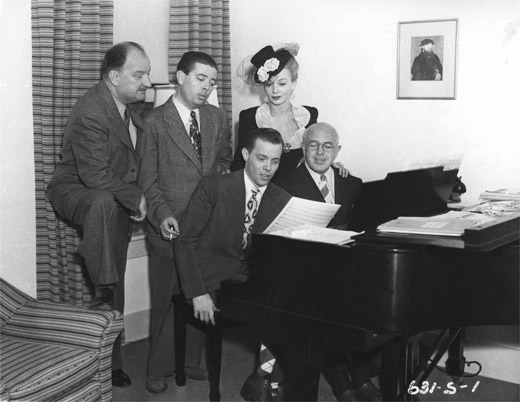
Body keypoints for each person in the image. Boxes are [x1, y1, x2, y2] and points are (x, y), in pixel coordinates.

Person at [46, 41, 151, 388]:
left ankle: (110, 363)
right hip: (77, 190)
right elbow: (94, 176)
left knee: (114, 273)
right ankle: (103, 289)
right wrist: (136, 199)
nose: (146, 82)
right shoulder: (92, 109)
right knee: (104, 206)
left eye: (147, 74)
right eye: (139, 75)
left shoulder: (130, 108)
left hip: (110, 195)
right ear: (114, 75)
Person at [138, 51, 233, 394]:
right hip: (169, 227)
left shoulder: (218, 118)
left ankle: (190, 361)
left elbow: (225, 159)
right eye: (200, 78)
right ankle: (157, 368)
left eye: (212, 81)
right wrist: (162, 216)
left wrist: (219, 179)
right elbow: (147, 181)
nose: (207, 87)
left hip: (205, 229)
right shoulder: (153, 122)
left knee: (201, 296)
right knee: (167, 299)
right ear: (180, 77)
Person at [274, 122, 381, 402]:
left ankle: (360, 378)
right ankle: (341, 383)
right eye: (313, 145)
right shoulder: (284, 182)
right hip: (305, 270)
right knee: (324, 314)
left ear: (338, 150)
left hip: (344, 267)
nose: (320, 153)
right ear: (303, 148)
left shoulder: (351, 183)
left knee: (368, 305)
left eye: (328, 146)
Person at [231, 45, 347, 177]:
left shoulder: (309, 116)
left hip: (300, 192)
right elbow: (239, 165)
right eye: (269, 84)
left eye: (282, 83)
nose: (275, 90)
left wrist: (329, 167)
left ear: (293, 83)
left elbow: (314, 155)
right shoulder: (249, 117)